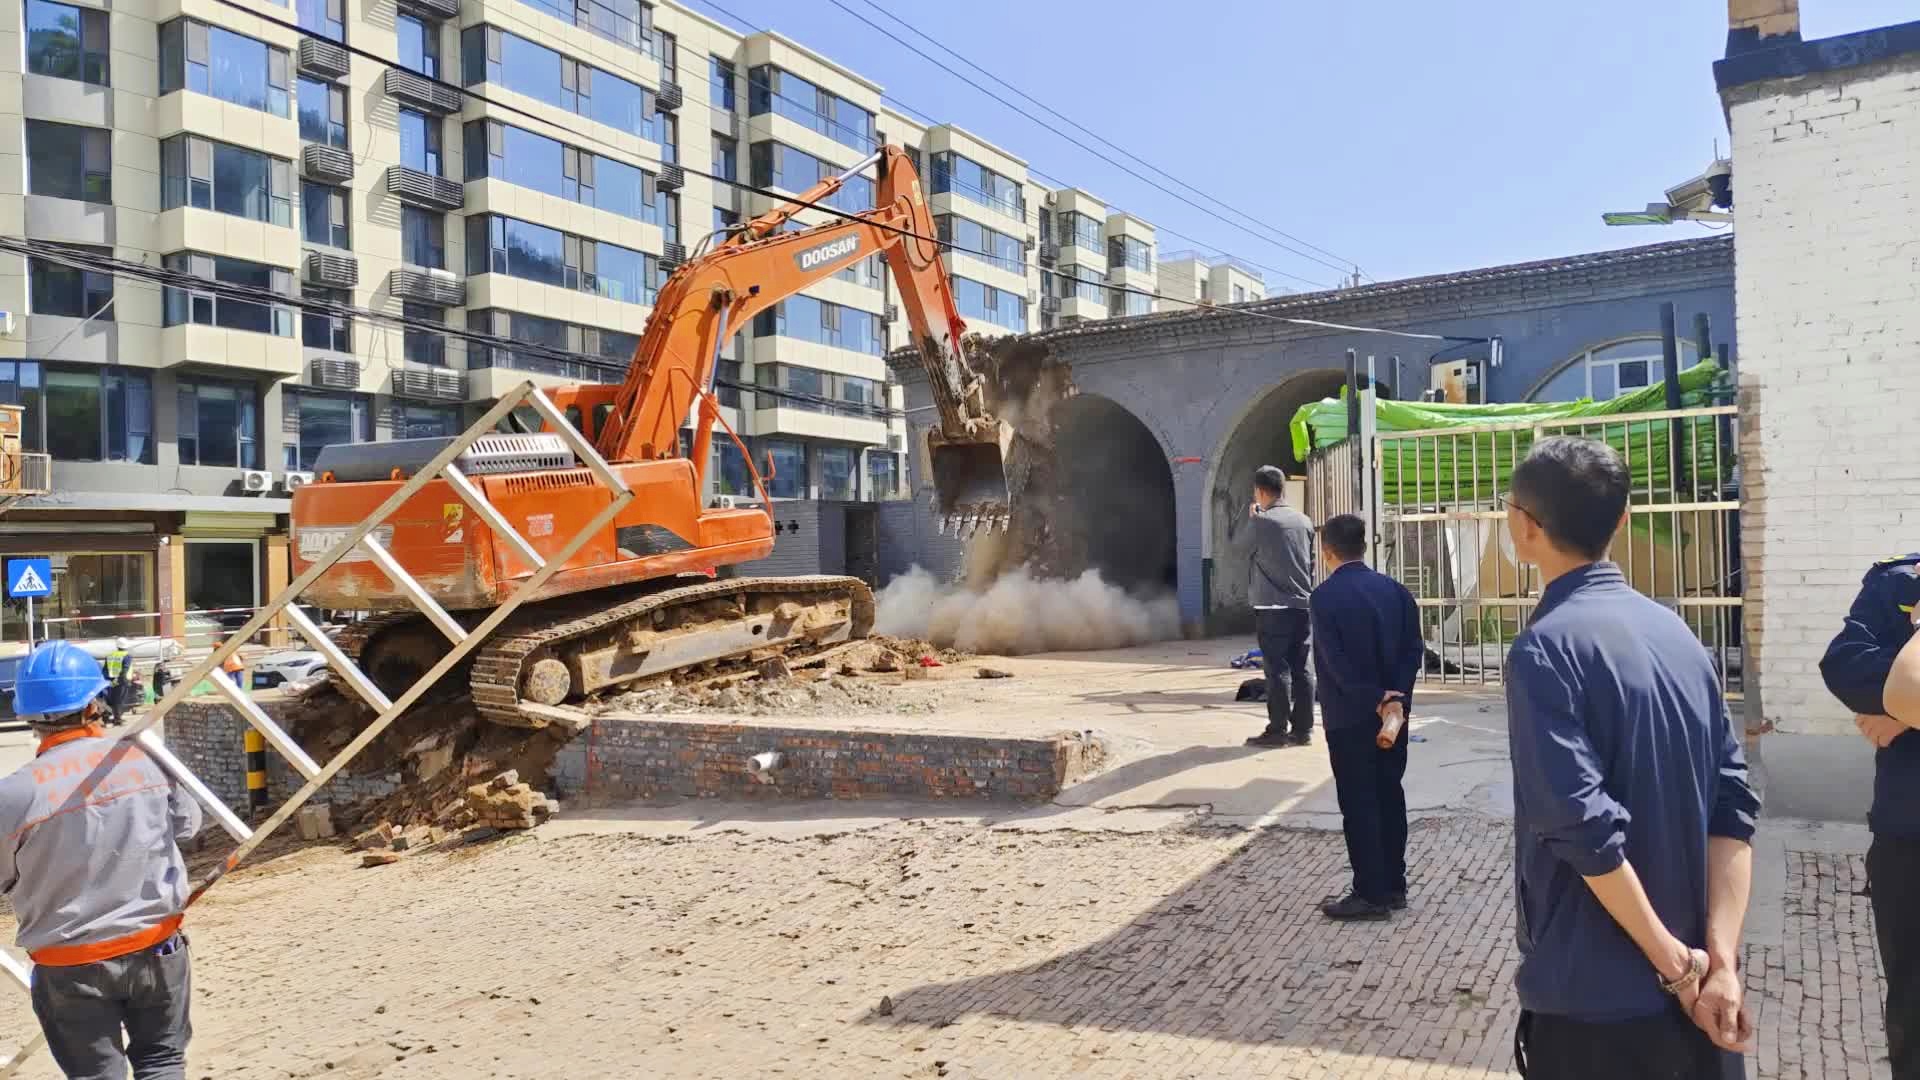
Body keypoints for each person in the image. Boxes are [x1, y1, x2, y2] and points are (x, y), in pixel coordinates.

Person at [1502, 436, 1757, 1079]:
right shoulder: (1678, 633)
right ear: (1622, 521)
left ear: (1523, 527)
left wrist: (1677, 968)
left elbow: (1584, 830)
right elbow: (1733, 811)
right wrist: (1718, 964)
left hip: (1600, 1011)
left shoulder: (1544, 652)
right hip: (1699, 1004)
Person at [0, 640, 202, 1079]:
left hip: (71, 963)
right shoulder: (146, 759)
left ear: (27, 714)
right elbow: (187, 827)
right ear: (94, 701)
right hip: (157, 946)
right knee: (163, 1063)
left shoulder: (15, 793)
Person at [1820, 551, 1920, 1078]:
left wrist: (1904, 710)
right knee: (1910, 1007)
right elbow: (1844, 667)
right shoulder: (1901, 581)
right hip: (1908, 840)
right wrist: (1908, 696)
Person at [1308, 513, 1424, 920]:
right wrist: (1395, 697)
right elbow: (1414, 651)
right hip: (1394, 717)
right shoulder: (1396, 592)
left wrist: (1373, 697)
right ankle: (1394, 885)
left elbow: (1336, 667)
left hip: (1350, 718)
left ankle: (1370, 894)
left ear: (1328, 552)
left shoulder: (1324, 598)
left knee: (1359, 804)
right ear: (1364, 546)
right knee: (1390, 795)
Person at [1244, 464, 1316, 748]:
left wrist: (1253, 519)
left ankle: (1276, 731)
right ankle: (1303, 731)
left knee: (1277, 669)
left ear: (1260, 492)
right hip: (1303, 605)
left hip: (1272, 608)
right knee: (1302, 667)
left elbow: (1239, 548)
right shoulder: (1304, 521)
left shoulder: (1263, 522)